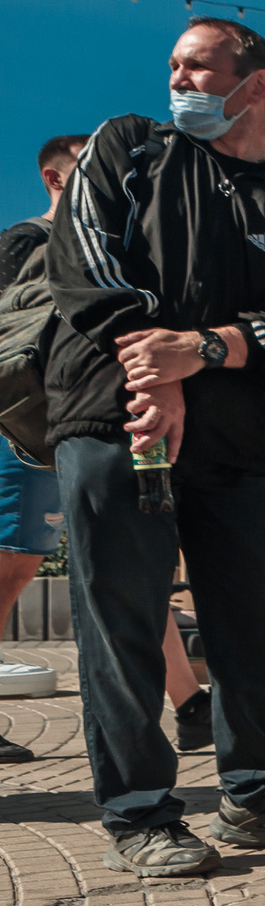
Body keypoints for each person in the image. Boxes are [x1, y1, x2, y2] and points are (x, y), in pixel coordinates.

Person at [47, 20, 265, 878]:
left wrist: (210, 348)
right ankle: (140, 812)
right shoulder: (125, 148)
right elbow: (83, 263)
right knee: (123, 626)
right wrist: (159, 371)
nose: (177, 78)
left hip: (248, 446)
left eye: (197, 66)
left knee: (260, 627)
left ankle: (259, 794)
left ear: (255, 85)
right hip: (116, 426)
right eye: (174, 66)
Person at [0, 135, 89, 730]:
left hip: (68, 428)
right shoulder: (24, 242)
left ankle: (188, 702)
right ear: (55, 180)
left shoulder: (104, 246)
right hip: (19, 432)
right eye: (88, 171)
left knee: (111, 554)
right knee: (12, 564)